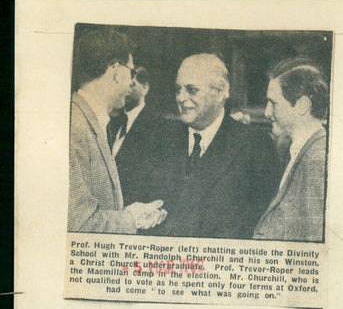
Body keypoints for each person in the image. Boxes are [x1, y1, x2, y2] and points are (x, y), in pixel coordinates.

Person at [142, 53, 279, 239]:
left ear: (221, 93)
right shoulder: (159, 139)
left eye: (192, 90)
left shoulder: (254, 146)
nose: (181, 98)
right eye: (177, 90)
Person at [68, 28, 165, 234]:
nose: (132, 81)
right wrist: (131, 219)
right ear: (115, 71)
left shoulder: (91, 121)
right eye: (131, 72)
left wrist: (130, 213)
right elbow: (81, 224)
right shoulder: (75, 127)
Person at [253, 58, 328, 242]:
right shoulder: (297, 151)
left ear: (302, 106)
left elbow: (314, 242)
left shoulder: (317, 160)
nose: (266, 112)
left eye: (273, 103)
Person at [108, 66, 166, 206]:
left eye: (132, 85)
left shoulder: (157, 126)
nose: (127, 90)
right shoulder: (113, 122)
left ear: (145, 88)